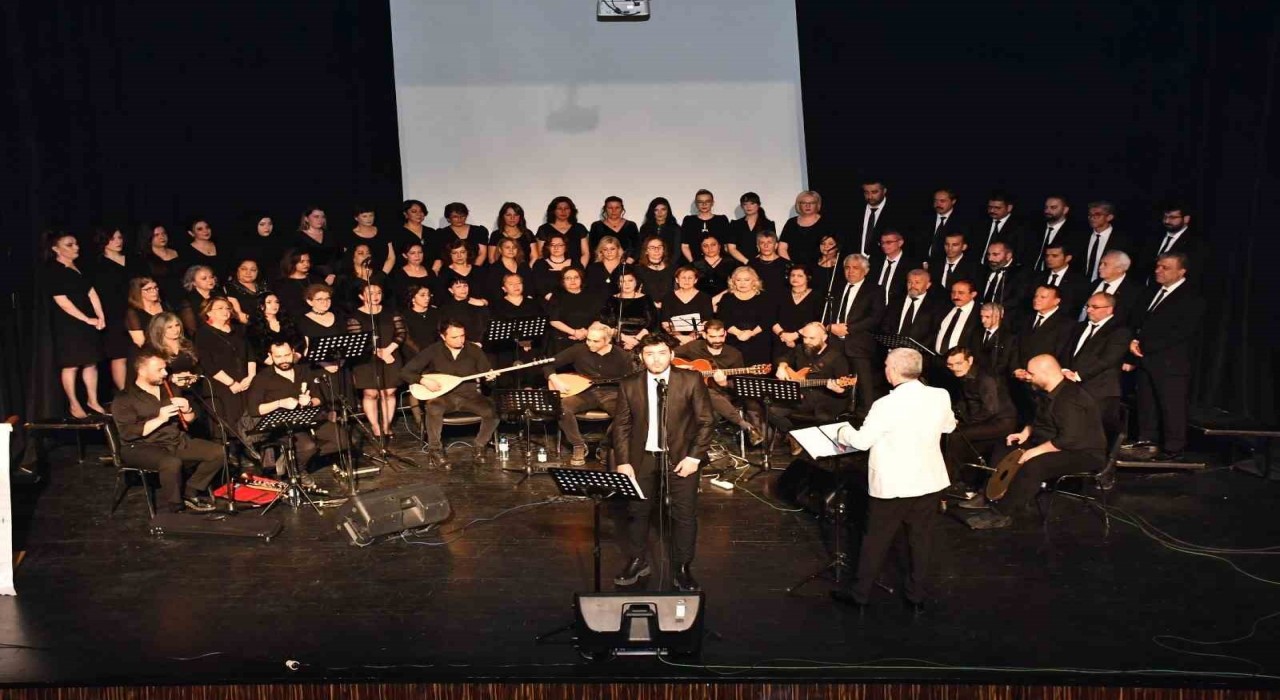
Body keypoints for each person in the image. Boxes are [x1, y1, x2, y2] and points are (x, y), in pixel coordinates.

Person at [831, 348, 955, 613]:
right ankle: (915, 596)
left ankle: (860, 595)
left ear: (895, 371)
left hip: (894, 484)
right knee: (920, 540)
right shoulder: (940, 395)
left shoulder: (885, 405)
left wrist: (842, 431)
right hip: (929, 481)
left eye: (887, 365)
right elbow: (949, 427)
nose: (885, 369)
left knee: (875, 540)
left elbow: (861, 441)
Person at [612, 334, 714, 591]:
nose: (655, 359)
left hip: (682, 458)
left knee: (684, 515)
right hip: (642, 458)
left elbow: (706, 421)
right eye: (649, 353)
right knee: (637, 512)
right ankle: (638, 560)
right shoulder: (629, 384)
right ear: (641, 356)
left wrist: (694, 457)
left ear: (671, 354)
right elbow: (622, 426)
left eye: (660, 352)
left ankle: (682, 567)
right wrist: (624, 462)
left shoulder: (690, 379)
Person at [961, 354, 1107, 529]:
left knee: (1035, 464)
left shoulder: (1070, 398)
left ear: (1045, 374)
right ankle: (989, 494)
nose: (1027, 377)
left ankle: (1002, 513)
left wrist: (1035, 451)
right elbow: (1041, 419)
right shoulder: (1049, 391)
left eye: (1031, 373)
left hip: (1083, 452)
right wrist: (1025, 433)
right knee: (1003, 448)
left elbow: (1069, 439)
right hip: (1055, 442)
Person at [112, 349, 222, 512]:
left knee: (218, 452)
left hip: (174, 441)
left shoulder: (169, 389)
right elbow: (128, 433)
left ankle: (189, 492)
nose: (165, 373)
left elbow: (189, 420)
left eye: (165, 368)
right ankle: (175, 507)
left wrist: (187, 409)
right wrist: (160, 419)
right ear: (142, 371)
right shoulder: (124, 398)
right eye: (159, 370)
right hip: (141, 446)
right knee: (171, 462)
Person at [1125, 252, 1206, 460]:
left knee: (1172, 406)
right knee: (1146, 402)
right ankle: (1147, 441)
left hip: (1171, 362)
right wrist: (1134, 340)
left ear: (1182, 271)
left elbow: (1182, 331)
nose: (1158, 271)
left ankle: (1173, 448)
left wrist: (1145, 345)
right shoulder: (1151, 291)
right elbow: (1138, 319)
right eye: (1158, 266)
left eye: (1165, 268)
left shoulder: (1192, 296)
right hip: (1146, 358)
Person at [400, 319, 500, 467]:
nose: (460, 340)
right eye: (454, 337)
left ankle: (480, 446)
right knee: (433, 408)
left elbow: (488, 379)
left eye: (462, 336)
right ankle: (435, 450)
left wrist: (490, 378)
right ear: (443, 336)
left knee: (491, 411)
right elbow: (405, 372)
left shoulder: (474, 350)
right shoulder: (433, 350)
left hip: (469, 396)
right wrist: (422, 380)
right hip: (443, 396)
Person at [245, 339, 343, 487]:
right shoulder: (262, 378)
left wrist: (310, 401)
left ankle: (293, 459)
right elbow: (254, 410)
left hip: (308, 418)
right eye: (278, 357)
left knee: (343, 440)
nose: (283, 360)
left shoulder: (304, 371)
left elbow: (319, 398)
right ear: (270, 356)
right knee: (308, 446)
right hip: (281, 424)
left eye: (286, 355)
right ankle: (299, 469)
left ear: (293, 353)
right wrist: (280, 403)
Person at [545, 322, 635, 466]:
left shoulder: (622, 355)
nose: (590, 344)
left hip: (612, 393)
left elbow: (633, 379)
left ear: (607, 341)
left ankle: (606, 446)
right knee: (562, 406)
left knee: (625, 414)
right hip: (584, 392)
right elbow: (548, 364)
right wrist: (555, 380)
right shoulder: (578, 350)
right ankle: (578, 445)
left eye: (595, 341)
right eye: (588, 339)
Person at [46, 231, 107, 417]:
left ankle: (93, 401)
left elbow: (91, 292)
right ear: (56, 249)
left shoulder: (79, 267)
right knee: (72, 364)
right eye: (69, 245)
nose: (76, 247)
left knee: (91, 362)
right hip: (69, 324)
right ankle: (74, 404)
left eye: (76, 243)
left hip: (88, 321)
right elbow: (62, 301)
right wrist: (86, 319)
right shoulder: (54, 270)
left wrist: (100, 316)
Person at [675, 320, 764, 444]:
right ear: (704, 335)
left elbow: (739, 384)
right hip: (688, 391)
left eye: (720, 336)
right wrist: (681, 368)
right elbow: (669, 355)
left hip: (721, 393)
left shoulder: (734, 354)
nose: (717, 340)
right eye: (712, 337)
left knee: (707, 394)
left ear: (725, 334)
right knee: (702, 390)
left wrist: (725, 384)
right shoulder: (693, 346)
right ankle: (745, 425)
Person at [1058, 292, 1132, 437]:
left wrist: (1079, 374)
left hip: (1100, 391)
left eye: (1095, 307)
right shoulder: (1079, 327)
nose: (1089, 310)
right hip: (1073, 387)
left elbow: (1108, 359)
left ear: (1109, 309)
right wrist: (1065, 369)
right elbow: (1066, 350)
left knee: (1095, 433)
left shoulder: (1120, 331)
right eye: (1088, 306)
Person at [942, 347, 1017, 488]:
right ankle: (960, 480)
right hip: (984, 419)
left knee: (956, 436)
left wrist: (966, 423)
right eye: (950, 365)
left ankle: (952, 481)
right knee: (953, 432)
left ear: (969, 360)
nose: (954, 369)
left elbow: (991, 410)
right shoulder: (964, 375)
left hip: (1001, 422)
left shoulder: (985, 378)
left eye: (958, 364)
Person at [827, 254, 887, 421]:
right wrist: (831, 327)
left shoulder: (875, 290)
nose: (851, 271)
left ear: (865, 271)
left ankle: (864, 416)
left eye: (855, 268)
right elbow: (826, 312)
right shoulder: (836, 287)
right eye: (847, 268)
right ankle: (838, 412)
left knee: (864, 384)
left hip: (859, 342)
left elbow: (875, 317)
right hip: (834, 342)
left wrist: (848, 329)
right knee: (838, 377)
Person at [769, 322, 852, 439]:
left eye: (812, 338)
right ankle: (794, 436)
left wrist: (839, 389)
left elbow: (846, 390)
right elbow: (783, 358)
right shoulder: (800, 349)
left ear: (824, 338)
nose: (807, 341)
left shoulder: (836, 357)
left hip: (825, 401)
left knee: (823, 418)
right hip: (801, 397)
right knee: (771, 410)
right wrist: (782, 366)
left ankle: (799, 439)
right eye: (805, 337)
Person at [346, 281, 405, 442]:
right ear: (361, 296)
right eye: (370, 293)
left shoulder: (391, 312)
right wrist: (377, 352)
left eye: (378, 292)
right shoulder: (354, 316)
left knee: (389, 392)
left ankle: (386, 425)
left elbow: (400, 332)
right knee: (371, 393)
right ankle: (375, 426)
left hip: (390, 355)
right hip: (366, 359)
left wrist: (388, 350)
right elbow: (356, 338)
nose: (375, 296)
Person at [193, 296, 255, 425]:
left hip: (245, 382)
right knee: (233, 424)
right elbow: (208, 364)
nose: (225, 311)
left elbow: (250, 354)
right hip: (222, 386)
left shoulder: (238, 329)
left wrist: (250, 377)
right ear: (208, 312)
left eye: (227, 308)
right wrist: (231, 383)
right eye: (220, 308)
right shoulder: (203, 333)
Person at [89, 227, 135, 393]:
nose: (118, 241)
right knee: (119, 354)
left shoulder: (132, 259)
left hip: (135, 310)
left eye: (120, 237)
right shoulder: (98, 265)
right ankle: (125, 394)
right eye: (113, 238)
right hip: (113, 314)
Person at [715, 266, 771, 366]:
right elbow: (723, 319)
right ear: (733, 281)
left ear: (754, 281)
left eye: (747, 280)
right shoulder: (727, 297)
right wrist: (739, 333)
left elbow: (767, 320)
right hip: (733, 339)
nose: (742, 283)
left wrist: (751, 333)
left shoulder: (764, 297)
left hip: (759, 339)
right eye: (738, 280)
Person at [295, 283, 346, 374]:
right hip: (317, 369)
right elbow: (306, 349)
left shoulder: (339, 316)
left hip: (341, 366)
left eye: (327, 298)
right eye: (319, 299)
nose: (325, 302)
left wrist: (342, 361)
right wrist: (324, 364)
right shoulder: (303, 321)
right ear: (309, 302)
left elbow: (345, 342)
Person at [771, 264, 822, 356]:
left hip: (806, 341)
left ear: (808, 278)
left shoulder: (816, 296)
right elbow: (771, 318)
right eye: (792, 275)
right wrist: (783, 335)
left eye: (800, 276)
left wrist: (795, 335)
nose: (795, 278)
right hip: (780, 340)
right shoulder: (780, 293)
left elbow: (817, 321)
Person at [599, 270, 657, 351]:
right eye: (622, 281)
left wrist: (636, 340)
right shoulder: (611, 300)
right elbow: (608, 325)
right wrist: (626, 339)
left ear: (636, 281)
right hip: (617, 340)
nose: (627, 284)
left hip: (642, 340)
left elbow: (651, 323)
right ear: (618, 284)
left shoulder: (646, 298)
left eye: (630, 280)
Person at [546, 268, 599, 354]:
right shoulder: (557, 297)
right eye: (568, 278)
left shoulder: (591, 296)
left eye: (576, 277)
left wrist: (587, 332)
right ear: (563, 282)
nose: (572, 280)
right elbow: (553, 320)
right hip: (563, 340)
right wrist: (574, 332)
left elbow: (598, 318)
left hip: (588, 338)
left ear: (581, 280)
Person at [1081, 201, 1135, 283]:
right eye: (1090, 215)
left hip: (1106, 283)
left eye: (1097, 215)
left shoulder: (1123, 240)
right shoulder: (1080, 236)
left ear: (1109, 217)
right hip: (1081, 283)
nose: (1092, 218)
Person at [659, 266, 714, 346]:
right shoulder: (668, 297)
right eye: (683, 278)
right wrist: (680, 337)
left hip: (697, 338)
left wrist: (691, 337)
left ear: (695, 280)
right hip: (674, 338)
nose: (686, 281)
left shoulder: (705, 297)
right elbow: (665, 322)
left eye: (690, 278)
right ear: (677, 280)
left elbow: (707, 321)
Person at [1082, 250, 1141, 323]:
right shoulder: (1095, 283)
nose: (1100, 267)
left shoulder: (1134, 292)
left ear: (1119, 269)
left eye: (1105, 264)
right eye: (1101, 263)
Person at [851, 178, 904, 257]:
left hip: (882, 262)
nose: (870, 196)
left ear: (884, 191)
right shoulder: (855, 210)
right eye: (866, 192)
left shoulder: (898, 213)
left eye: (874, 192)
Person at [1035, 242, 1091, 315]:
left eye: (1054, 256)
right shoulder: (1037, 277)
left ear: (1068, 258)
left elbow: (1075, 308)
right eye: (1047, 255)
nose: (1049, 259)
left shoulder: (1079, 281)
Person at [779, 190, 831, 268]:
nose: (808, 206)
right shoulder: (791, 223)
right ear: (799, 205)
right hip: (795, 270)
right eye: (804, 203)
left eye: (812, 203)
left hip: (821, 267)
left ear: (817, 205)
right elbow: (782, 248)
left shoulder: (826, 222)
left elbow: (832, 248)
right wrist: (792, 266)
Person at [932, 280, 983, 358]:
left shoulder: (980, 313)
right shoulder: (944, 308)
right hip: (938, 360)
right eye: (953, 292)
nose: (955, 296)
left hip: (963, 364)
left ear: (973, 294)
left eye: (961, 293)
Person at [1031, 195, 1083, 270]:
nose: (1047, 211)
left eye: (1053, 207)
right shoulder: (1034, 228)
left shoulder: (1075, 233)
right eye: (1046, 207)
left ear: (1065, 210)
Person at [536, 196, 591, 266]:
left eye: (566, 208)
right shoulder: (544, 229)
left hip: (575, 271)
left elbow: (585, 253)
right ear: (553, 211)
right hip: (551, 269)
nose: (563, 211)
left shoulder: (579, 228)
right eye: (559, 208)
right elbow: (541, 254)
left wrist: (579, 269)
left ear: (571, 210)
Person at [868, 230, 917, 307]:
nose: (884, 246)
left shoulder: (911, 265)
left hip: (897, 308)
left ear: (900, 243)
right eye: (882, 243)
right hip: (872, 306)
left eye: (888, 242)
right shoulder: (875, 261)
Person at [680, 189, 730, 263]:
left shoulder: (721, 220)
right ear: (696, 204)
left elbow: (726, 246)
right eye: (700, 202)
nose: (704, 204)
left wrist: (720, 263)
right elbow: (684, 246)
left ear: (712, 203)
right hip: (694, 264)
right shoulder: (689, 220)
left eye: (707, 201)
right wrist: (694, 264)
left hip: (718, 264)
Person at [138, 222, 183, 302]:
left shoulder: (177, 252)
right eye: (157, 235)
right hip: (162, 299)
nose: (162, 237)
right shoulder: (145, 259)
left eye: (164, 233)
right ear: (149, 237)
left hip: (183, 295)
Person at [293, 206, 339, 284]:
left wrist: (333, 274)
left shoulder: (330, 235)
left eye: (322, 217)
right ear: (306, 219)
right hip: (311, 276)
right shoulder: (298, 237)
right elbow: (297, 260)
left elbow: (338, 256)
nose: (320, 220)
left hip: (334, 275)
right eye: (316, 217)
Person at [345, 205, 396, 275]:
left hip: (384, 274)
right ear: (356, 218)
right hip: (360, 276)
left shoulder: (383, 232)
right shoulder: (349, 236)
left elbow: (391, 257)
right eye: (364, 216)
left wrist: (381, 276)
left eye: (371, 215)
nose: (369, 219)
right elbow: (348, 260)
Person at [480, 237, 533, 303]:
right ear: (500, 250)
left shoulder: (524, 266)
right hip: (502, 304)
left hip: (524, 301)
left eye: (514, 247)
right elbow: (493, 291)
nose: (511, 250)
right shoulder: (494, 268)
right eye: (507, 247)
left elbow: (530, 286)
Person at [528, 232, 579, 301]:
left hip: (573, 299)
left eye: (560, 245)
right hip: (548, 301)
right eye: (552, 245)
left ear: (566, 247)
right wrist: (554, 300)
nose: (556, 248)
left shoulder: (575, 264)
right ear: (548, 247)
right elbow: (539, 286)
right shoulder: (540, 264)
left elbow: (581, 284)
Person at [436, 202, 489, 267]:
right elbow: (441, 256)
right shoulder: (441, 233)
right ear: (448, 218)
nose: (459, 219)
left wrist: (472, 270)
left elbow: (482, 253)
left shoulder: (479, 231)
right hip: (451, 271)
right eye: (455, 217)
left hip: (477, 269)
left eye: (462, 216)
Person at [726, 192, 774, 263]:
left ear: (758, 205)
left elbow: (772, 245)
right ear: (742, 206)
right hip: (739, 263)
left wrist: (757, 261)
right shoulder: (735, 224)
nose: (748, 207)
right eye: (745, 204)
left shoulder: (768, 224)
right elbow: (731, 248)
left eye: (752, 203)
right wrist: (746, 262)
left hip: (762, 262)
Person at [588, 196, 639, 260]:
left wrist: (630, 260)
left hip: (627, 264)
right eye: (610, 208)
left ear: (622, 209)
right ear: (605, 209)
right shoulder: (596, 226)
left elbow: (637, 247)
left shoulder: (631, 225)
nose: (613, 211)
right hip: (603, 263)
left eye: (617, 208)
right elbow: (592, 248)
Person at [124, 277, 168, 351]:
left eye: (155, 287)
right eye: (148, 289)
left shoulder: (165, 306)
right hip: (147, 353)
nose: (154, 291)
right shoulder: (133, 313)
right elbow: (140, 342)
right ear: (137, 291)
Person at [920, 187, 962, 263]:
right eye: (935, 201)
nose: (937, 204)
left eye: (942, 201)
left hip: (945, 264)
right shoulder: (925, 218)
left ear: (953, 201)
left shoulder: (961, 222)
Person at [224, 257, 268, 325]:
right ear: (237, 270)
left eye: (253, 270)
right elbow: (239, 315)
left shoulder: (264, 285)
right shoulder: (230, 287)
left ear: (258, 272)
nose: (248, 272)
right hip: (246, 328)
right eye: (244, 269)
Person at [274, 249, 316, 319]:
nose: (306, 264)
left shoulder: (316, 279)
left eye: (308, 261)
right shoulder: (281, 284)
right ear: (292, 262)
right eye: (302, 261)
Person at [747, 230, 789, 300]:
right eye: (762, 243)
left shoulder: (787, 264)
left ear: (776, 245)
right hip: (756, 303)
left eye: (769, 242)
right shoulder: (751, 264)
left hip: (780, 303)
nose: (766, 246)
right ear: (758, 246)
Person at [178, 265, 220, 335]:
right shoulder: (188, 301)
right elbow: (192, 329)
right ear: (193, 282)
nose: (210, 280)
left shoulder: (219, 294)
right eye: (204, 278)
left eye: (211, 277)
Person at [976, 302, 1015, 377]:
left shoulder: (1008, 337)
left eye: (987, 317)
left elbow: (1003, 363)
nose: (982, 320)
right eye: (981, 316)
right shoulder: (976, 332)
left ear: (998, 317)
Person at [633, 235, 675, 305]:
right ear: (646, 251)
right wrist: (652, 304)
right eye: (652, 247)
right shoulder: (638, 269)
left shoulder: (672, 268)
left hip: (670, 307)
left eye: (659, 247)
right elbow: (635, 292)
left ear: (663, 250)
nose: (656, 250)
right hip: (647, 308)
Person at [639, 197, 682, 262]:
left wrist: (668, 266)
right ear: (652, 212)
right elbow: (642, 249)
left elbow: (677, 252)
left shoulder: (675, 229)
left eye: (663, 209)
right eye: (656, 210)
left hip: (670, 265)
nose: (660, 213)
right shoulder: (645, 228)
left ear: (668, 211)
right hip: (648, 264)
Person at [398, 199, 436, 268]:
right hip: (407, 273)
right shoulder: (398, 233)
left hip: (431, 272)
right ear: (405, 214)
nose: (419, 214)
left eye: (421, 211)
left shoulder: (431, 232)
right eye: (414, 211)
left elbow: (438, 253)